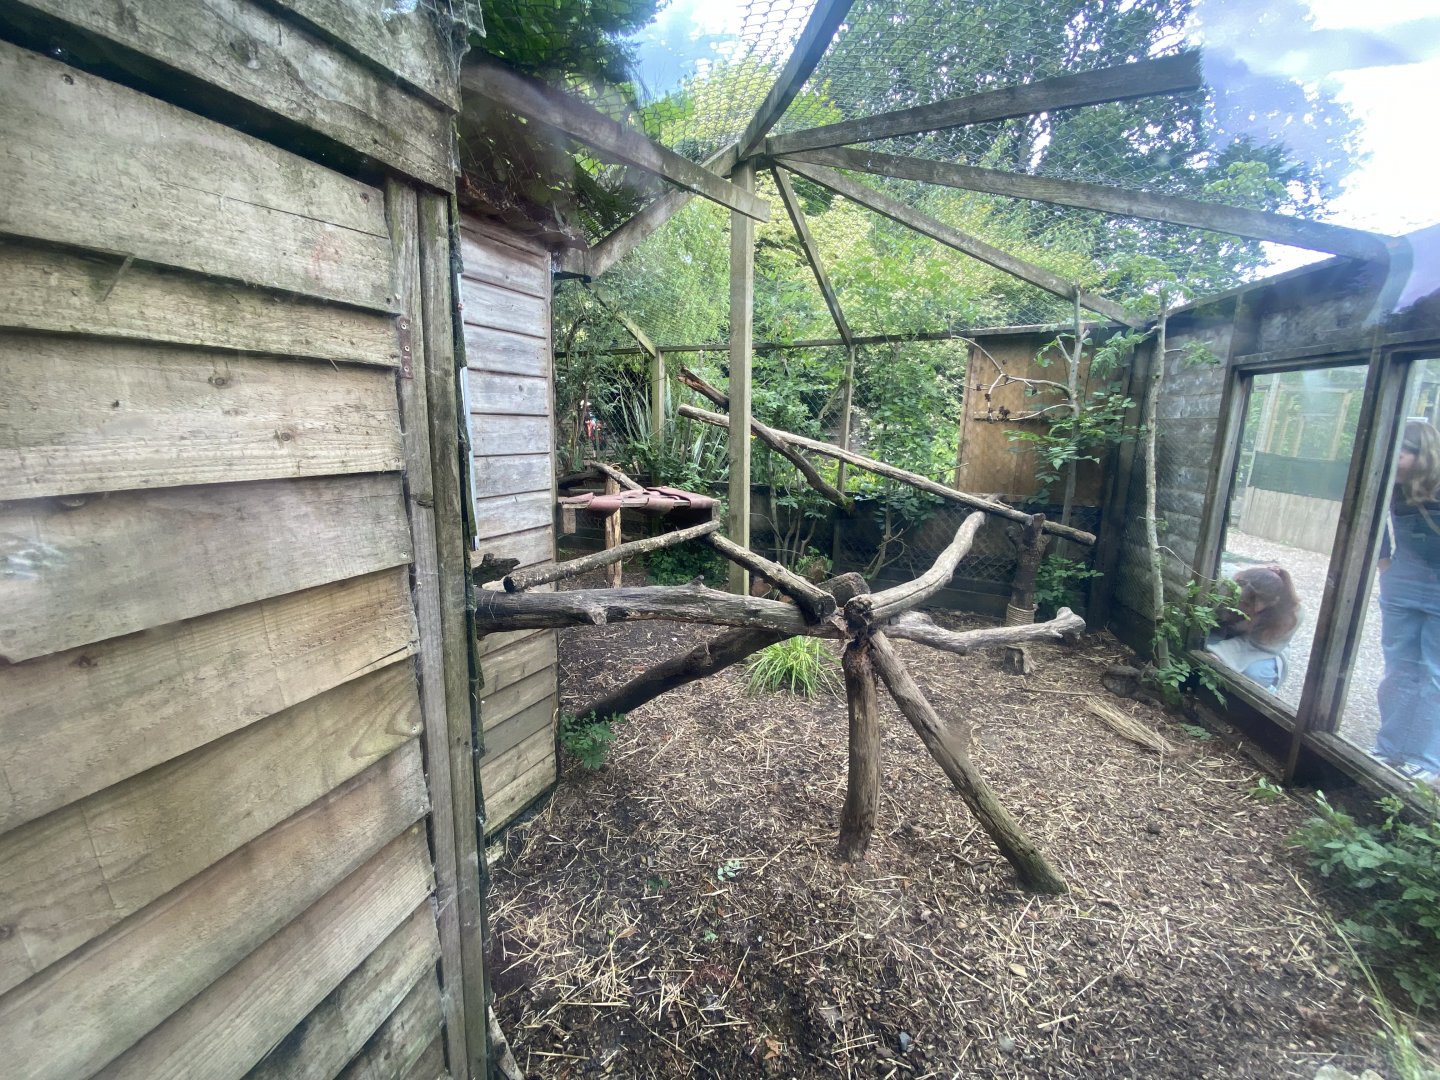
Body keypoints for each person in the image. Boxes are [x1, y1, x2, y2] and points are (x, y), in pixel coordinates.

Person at [1374, 420, 1440, 783]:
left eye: (1401, 452)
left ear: (1422, 454)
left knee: (1434, 673)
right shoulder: (1392, 485)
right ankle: (1389, 747)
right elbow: (1373, 523)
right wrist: (1385, 564)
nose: (1393, 459)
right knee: (1399, 666)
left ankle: (1426, 759)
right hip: (1404, 582)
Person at [1206, 565, 1301, 693]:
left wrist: (1219, 654)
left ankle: (1268, 691)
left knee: (1255, 675)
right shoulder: (1223, 584)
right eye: (1244, 603)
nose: (1248, 610)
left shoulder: (1290, 615)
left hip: (1264, 648)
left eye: (1253, 607)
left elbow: (1253, 645)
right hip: (1223, 632)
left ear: (1272, 603)